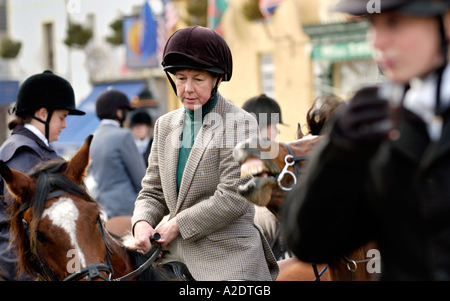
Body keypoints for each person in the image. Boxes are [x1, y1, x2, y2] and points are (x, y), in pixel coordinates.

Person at [283, 0, 450, 280]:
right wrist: (340, 152)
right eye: (373, 24)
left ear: (446, 20)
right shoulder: (381, 126)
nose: (377, 42)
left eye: (395, 22)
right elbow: (312, 243)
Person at [132, 25, 278, 281]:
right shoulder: (164, 125)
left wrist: (177, 225)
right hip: (173, 256)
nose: (187, 88)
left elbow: (235, 196)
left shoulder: (242, 124)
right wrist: (142, 222)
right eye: (180, 78)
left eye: (198, 79)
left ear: (217, 80)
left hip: (229, 258)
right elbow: (152, 190)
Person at [0, 70, 85, 280]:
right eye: (62, 117)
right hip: (23, 271)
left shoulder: (35, 150)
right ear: (43, 114)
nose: (65, 125)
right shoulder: (23, 154)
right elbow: (21, 225)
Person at [89, 89, 146, 219]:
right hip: (127, 210)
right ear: (120, 113)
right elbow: (141, 179)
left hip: (102, 209)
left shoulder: (93, 138)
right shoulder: (123, 135)